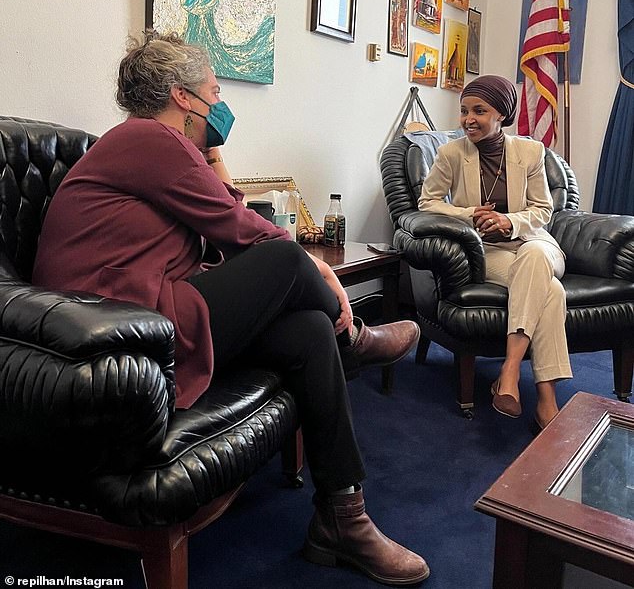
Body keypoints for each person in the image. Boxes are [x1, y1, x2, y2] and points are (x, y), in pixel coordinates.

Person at [32, 31, 429, 586]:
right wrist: (317, 271)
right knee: (291, 261)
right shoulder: (147, 139)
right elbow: (246, 233)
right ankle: (357, 340)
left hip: (154, 308)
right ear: (183, 97)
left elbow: (222, 220)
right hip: (120, 328)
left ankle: (343, 518)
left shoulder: (163, 148)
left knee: (311, 329)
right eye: (214, 91)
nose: (220, 103)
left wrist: (212, 155)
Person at [418, 74, 572, 430]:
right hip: (488, 252)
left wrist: (508, 221)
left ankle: (510, 369)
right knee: (551, 291)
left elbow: (543, 210)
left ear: (501, 113)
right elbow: (427, 203)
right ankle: (547, 400)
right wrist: (470, 214)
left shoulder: (531, 152)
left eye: (479, 110)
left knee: (534, 257)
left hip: (534, 243)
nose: (468, 119)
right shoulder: (451, 154)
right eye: (464, 111)